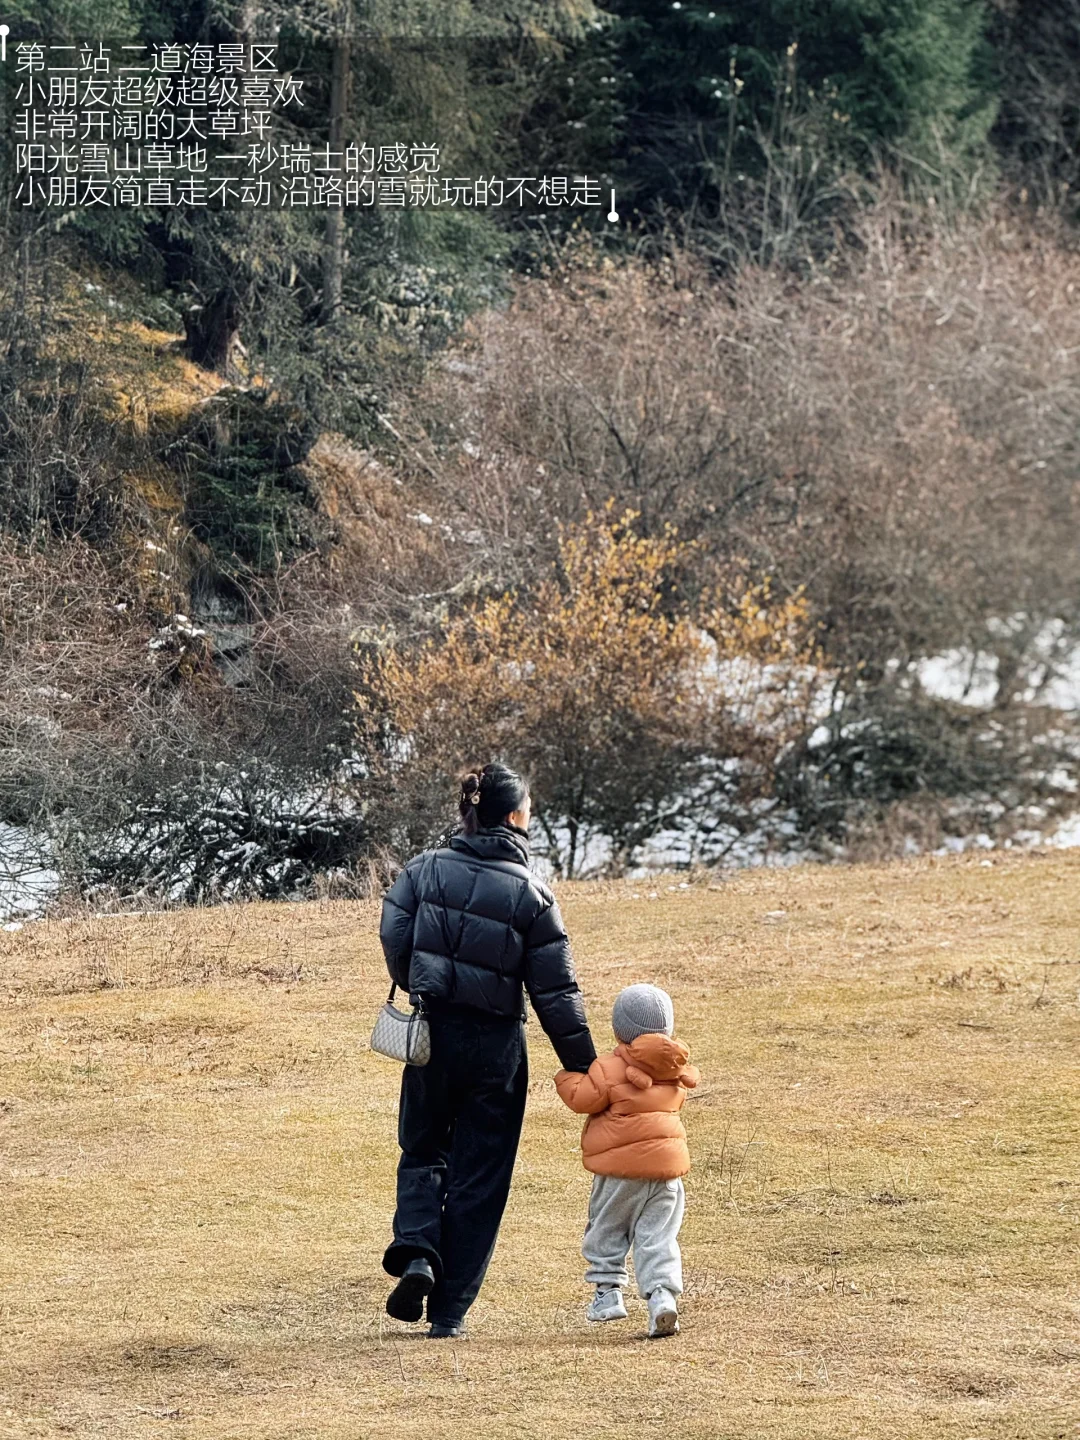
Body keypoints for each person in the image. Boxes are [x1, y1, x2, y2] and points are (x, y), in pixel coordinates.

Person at [379, 761, 596, 1338]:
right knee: (482, 1175)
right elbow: (556, 993)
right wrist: (586, 1067)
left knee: (423, 1149)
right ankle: (448, 1314)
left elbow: (394, 938)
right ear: (517, 816)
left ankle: (420, 1251)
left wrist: (422, 978)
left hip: (431, 1034)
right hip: (497, 1045)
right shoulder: (533, 893)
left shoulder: (421, 871)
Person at [555, 983, 698, 1339]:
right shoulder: (677, 1069)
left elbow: (581, 1098)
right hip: (667, 1172)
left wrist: (565, 1077)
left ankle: (607, 1295)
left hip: (620, 1172)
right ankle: (662, 1297)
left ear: (619, 1029)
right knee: (659, 1237)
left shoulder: (608, 1068)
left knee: (606, 1228)